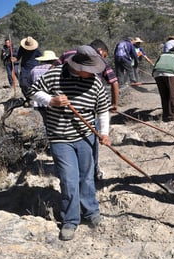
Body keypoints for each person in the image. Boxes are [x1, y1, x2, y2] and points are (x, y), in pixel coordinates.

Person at [26, 45, 111, 241]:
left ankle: (91, 211)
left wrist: (104, 133)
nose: (93, 74)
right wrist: (50, 101)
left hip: (86, 137)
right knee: (68, 180)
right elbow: (32, 91)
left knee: (87, 177)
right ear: (78, 66)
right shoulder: (54, 75)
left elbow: (103, 109)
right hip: (60, 138)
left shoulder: (96, 83)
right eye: (90, 71)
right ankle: (70, 220)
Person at [55, 39, 120, 181]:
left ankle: (72, 172)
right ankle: (93, 171)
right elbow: (114, 83)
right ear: (101, 52)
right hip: (88, 107)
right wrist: (114, 104)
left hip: (62, 110)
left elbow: (52, 73)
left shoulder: (68, 54)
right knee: (91, 141)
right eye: (104, 55)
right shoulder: (99, 61)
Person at [152, 48, 174, 122]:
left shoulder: (162, 55)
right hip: (169, 74)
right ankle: (171, 116)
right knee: (172, 95)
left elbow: (155, 66)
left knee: (164, 95)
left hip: (157, 74)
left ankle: (165, 115)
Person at [29, 50, 59, 124]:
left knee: (45, 120)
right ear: (53, 60)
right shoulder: (56, 69)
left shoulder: (34, 70)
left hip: (39, 100)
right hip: (52, 99)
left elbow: (30, 84)